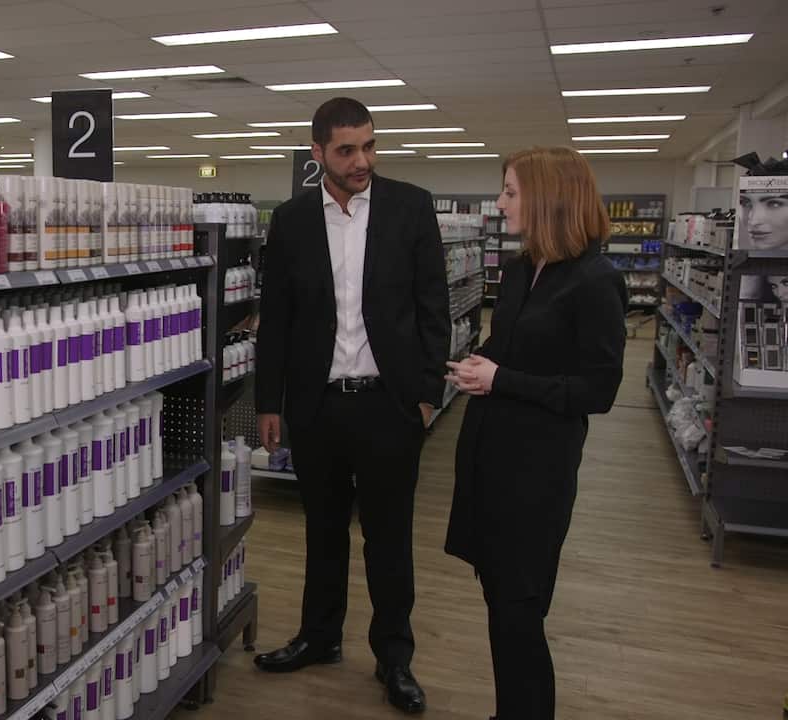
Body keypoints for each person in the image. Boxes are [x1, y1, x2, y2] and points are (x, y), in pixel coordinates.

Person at [253, 97, 450, 715]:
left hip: (389, 405)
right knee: (323, 531)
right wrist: (269, 402)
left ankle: (395, 657)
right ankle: (319, 637)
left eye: (368, 145)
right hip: (317, 406)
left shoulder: (410, 208)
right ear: (318, 154)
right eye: (346, 149)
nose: (361, 159)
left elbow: (433, 309)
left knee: (389, 538)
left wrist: (423, 397)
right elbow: (277, 321)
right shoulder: (290, 221)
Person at [444, 147, 627, 720]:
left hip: (536, 474)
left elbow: (596, 391)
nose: (500, 204)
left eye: (511, 192)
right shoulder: (524, 268)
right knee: (501, 604)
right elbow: (512, 349)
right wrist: (475, 366)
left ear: (550, 198)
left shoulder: (596, 280)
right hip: (490, 461)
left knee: (520, 612)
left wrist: (503, 379)